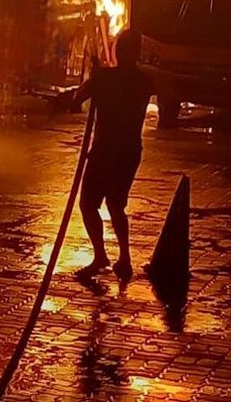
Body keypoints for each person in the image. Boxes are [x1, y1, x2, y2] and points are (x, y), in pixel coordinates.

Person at [71, 29, 154, 280]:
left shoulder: (106, 79)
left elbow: (76, 100)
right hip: (129, 152)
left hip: (105, 151)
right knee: (116, 205)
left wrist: (94, 77)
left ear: (119, 51)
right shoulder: (144, 81)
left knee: (88, 204)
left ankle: (100, 256)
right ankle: (124, 259)